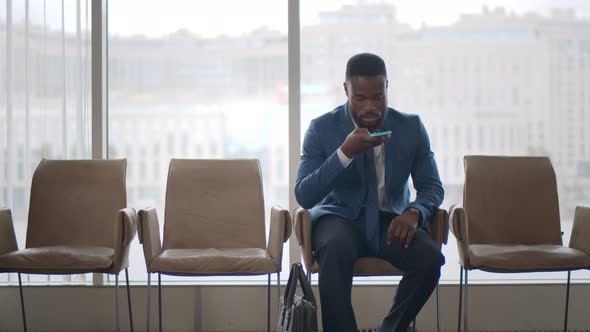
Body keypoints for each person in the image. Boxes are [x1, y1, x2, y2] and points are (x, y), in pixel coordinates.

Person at [295, 53, 445, 332]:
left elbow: (432, 186)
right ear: (346, 90)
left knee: (431, 258)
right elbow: (304, 194)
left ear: (387, 87)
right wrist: (345, 153)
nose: (370, 107)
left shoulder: (411, 127)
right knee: (334, 248)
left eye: (378, 97)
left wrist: (414, 212)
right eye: (360, 98)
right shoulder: (321, 128)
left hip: (391, 221)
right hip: (339, 218)